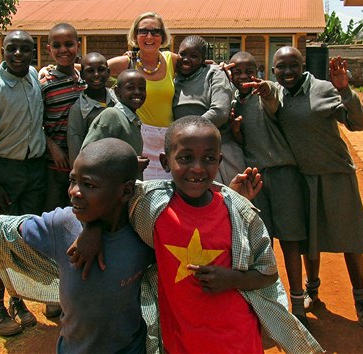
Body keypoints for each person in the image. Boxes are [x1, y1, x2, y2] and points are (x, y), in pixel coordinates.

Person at [0, 138, 156, 353]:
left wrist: (96, 226)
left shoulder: (143, 230)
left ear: (124, 192)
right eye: (72, 181)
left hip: (130, 347)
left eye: (88, 185)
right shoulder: (64, 225)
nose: (74, 192)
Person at [126, 116, 322, 353]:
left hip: (236, 341)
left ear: (219, 161)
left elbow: (268, 273)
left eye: (208, 159)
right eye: (185, 158)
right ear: (166, 162)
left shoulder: (240, 213)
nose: (197, 167)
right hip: (180, 343)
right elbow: (107, 205)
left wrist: (233, 279)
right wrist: (92, 232)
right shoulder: (150, 207)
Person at [273, 46, 363, 328]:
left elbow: (358, 123)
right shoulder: (277, 95)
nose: (287, 72)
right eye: (281, 67)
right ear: (273, 71)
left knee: (350, 239)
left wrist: (345, 91)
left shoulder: (322, 89)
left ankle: (361, 301)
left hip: (335, 175)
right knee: (309, 240)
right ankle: (312, 290)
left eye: (293, 65)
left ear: (302, 65)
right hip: (303, 178)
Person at [229, 51, 310, 326]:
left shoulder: (268, 91)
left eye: (249, 71)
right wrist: (236, 131)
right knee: (264, 243)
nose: (243, 77)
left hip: (284, 174)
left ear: (259, 71)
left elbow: (273, 100)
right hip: (256, 178)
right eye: (237, 72)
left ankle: (298, 305)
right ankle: (270, 307)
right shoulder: (235, 104)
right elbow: (244, 142)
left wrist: (265, 89)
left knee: (291, 239)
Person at [0, 30, 46, 336]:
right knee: (2, 238)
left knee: (25, 238)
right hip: (6, 171)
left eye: (25, 49)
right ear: (3, 50)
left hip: (35, 171)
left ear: (33, 53)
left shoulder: (32, 77)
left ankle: (17, 300)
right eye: (12, 49)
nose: (18, 54)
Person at [107, 12, 178, 180]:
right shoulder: (127, 63)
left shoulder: (171, 61)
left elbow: (197, 64)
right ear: (135, 35)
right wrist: (49, 69)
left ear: (162, 36)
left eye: (155, 32)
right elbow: (92, 68)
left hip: (168, 141)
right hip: (138, 138)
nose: (149, 36)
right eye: (143, 31)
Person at [173, 35, 244, 185]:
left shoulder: (214, 74)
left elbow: (220, 112)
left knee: (228, 201)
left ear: (203, 58)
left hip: (219, 152)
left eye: (194, 56)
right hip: (186, 154)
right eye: (183, 54)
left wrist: (188, 133)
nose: (186, 59)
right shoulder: (175, 79)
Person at [40, 23, 87, 215]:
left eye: (69, 44)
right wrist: (52, 146)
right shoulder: (45, 85)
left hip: (82, 165)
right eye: (57, 46)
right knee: (53, 213)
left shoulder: (86, 81)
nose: (63, 50)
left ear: (78, 45)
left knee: (79, 214)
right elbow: (34, 123)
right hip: (54, 165)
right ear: (49, 49)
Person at [81, 69, 149, 178]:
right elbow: (88, 155)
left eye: (141, 88)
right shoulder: (111, 115)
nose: (137, 92)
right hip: (110, 190)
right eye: (130, 88)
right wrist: (129, 164)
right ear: (117, 92)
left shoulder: (132, 120)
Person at [66, 52, 117, 167]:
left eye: (101, 69)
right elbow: (75, 146)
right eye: (90, 71)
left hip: (118, 167)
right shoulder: (79, 109)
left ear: (108, 72)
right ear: (82, 75)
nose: (96, 74)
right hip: (93, 169)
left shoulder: (118, 101)